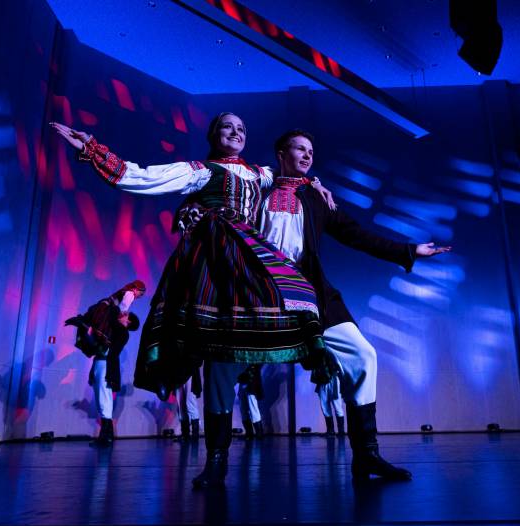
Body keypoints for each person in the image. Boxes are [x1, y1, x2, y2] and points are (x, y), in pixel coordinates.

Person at [52, 114, 336, 488]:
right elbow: (143, 177)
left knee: (290, 297)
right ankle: (214, 454)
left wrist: (317, 188)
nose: (236, 132)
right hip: (213, 259)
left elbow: (291, 177)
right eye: (227, 127)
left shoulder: (260, 174)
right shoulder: (200, 171)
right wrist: (93, 150)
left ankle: (278, 359)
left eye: (242, 128)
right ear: (213, 135)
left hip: (248, 260)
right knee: (211, 353)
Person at [259, 130, 450, 479]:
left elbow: (356, 235)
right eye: (300, 148)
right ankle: (215, 462)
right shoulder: (256, 189)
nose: (307, 155)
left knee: (363, 355)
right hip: (259, 289)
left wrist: (409, 250)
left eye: (311, 150)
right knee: (224, 367)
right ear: (281, 152)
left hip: (307, 290)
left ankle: (367, 455)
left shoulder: (316, 198)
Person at [65, 281, 145, 445]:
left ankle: (106, 435)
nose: (123, 314)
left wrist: (112, 308)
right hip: (100, 363)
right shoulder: (115, 329)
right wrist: (84, 324)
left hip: (106, 366)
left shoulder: (122, 332)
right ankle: (106, 434)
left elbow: (111, 322)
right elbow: (98, 337)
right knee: (100, 397)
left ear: (128, 322)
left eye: (126, 315)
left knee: (104, 398)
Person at [174, 368, 202, 440]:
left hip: (189, 372)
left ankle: (195, 434)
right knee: (180, 404)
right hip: (178, 374)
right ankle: (185, 434)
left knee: (190, 403)